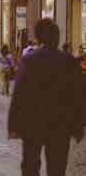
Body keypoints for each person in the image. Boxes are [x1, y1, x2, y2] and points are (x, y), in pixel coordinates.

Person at [8, 19, 85, 176]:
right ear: (57, 37)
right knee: (57, 167)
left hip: (32, 122)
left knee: (30, 165)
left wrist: (14, 125)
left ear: (38, 38)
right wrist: (80, 125)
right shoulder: (70, 62)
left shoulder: (29, 60)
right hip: (61, 123)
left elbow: (19, 94)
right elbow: (79, 96)